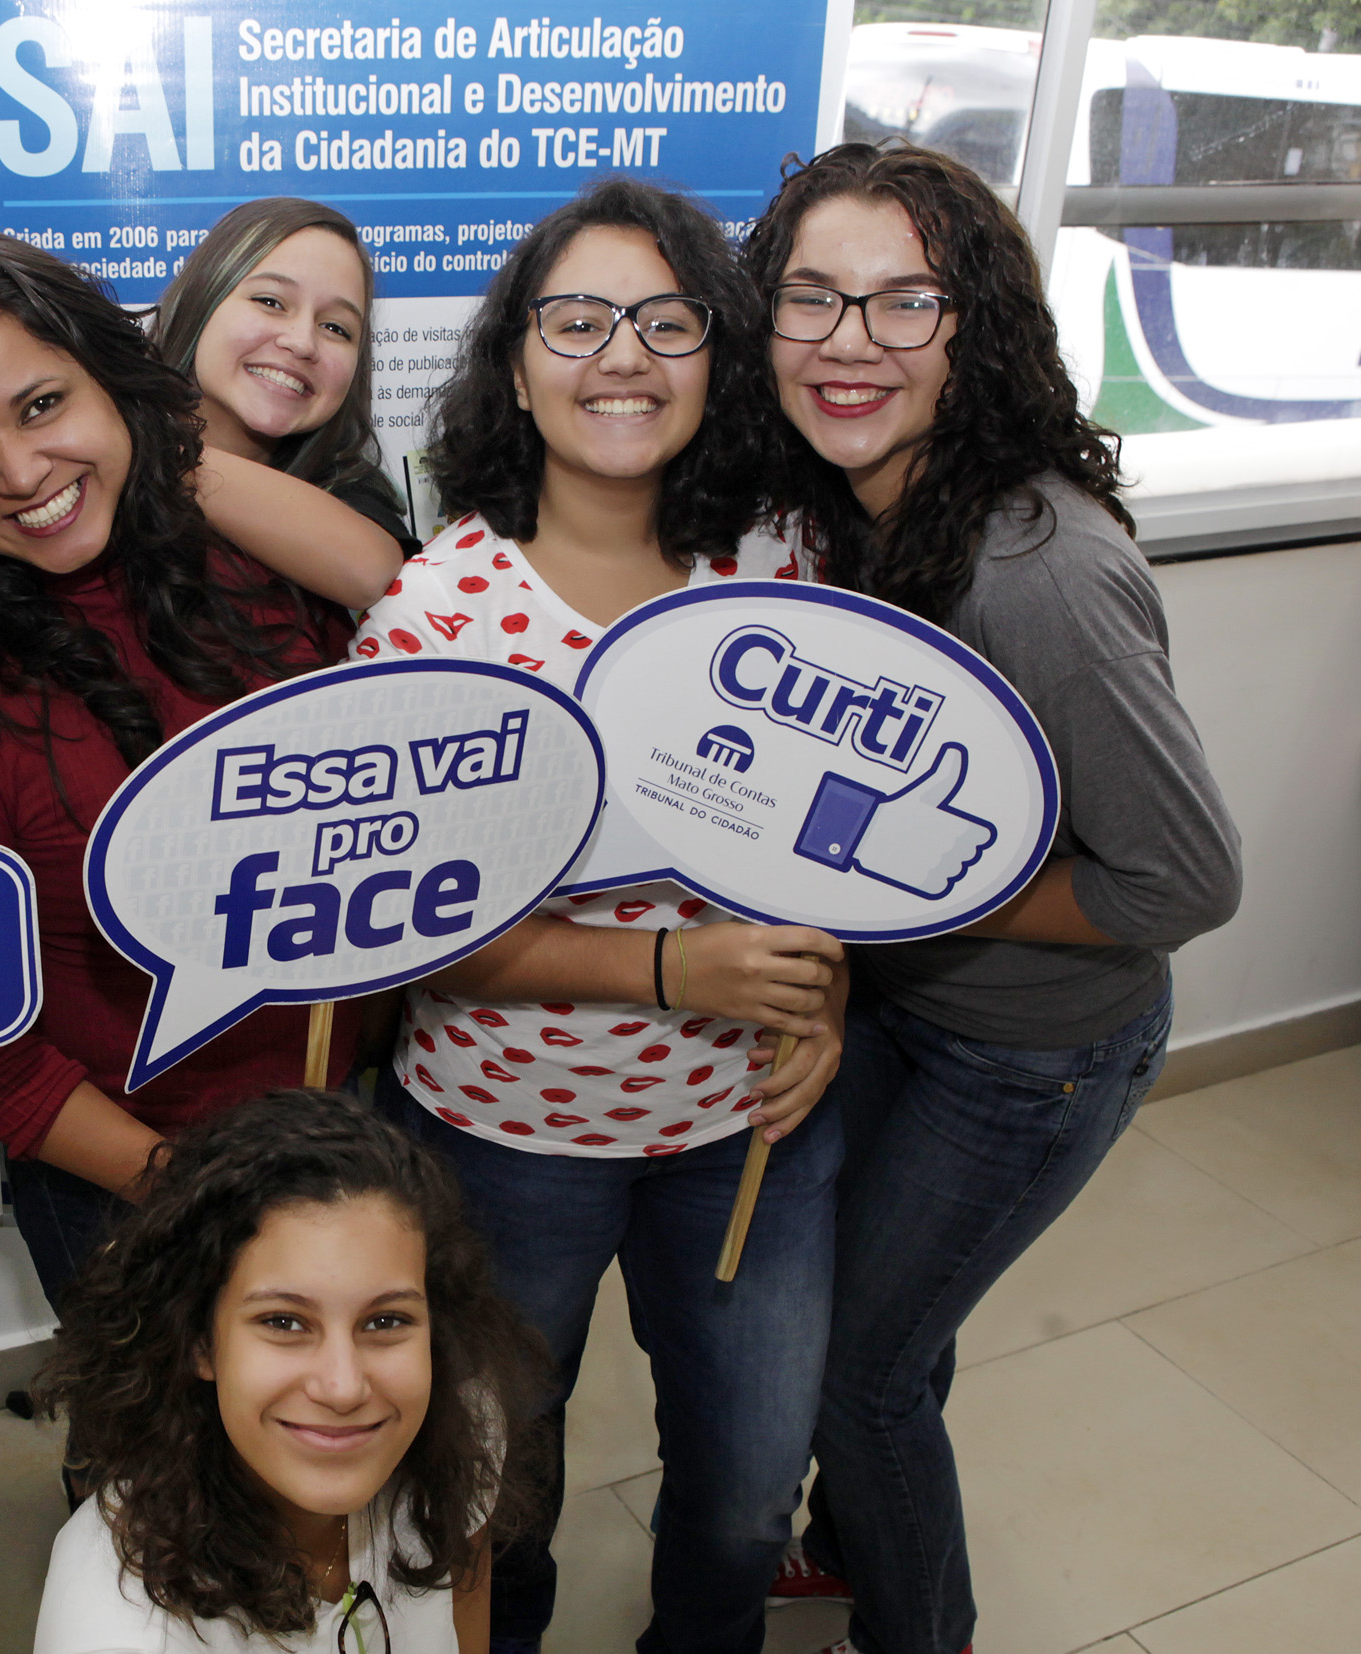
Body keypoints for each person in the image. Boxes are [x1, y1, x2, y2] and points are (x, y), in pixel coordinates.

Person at [742, 144, 1242, 1654]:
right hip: (906, 1012)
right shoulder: (850, 506)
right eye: (811, 296)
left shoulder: (1038, 571)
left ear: (979, 327)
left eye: (905, 300)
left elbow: (1183, 879)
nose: (848, 340)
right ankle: (850, 1547)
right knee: (891, 1322)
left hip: (1033, 1056)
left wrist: (910, 891)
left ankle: (922, 1630)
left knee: (858, 1370)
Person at [350, 179, 847, 1654]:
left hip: (749, 1122)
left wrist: (826, 998)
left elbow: (849, 840)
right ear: (515, 367)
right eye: (575, 320)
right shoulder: (437, 617)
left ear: (716, 356)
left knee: (750, 1492)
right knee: (495, 1486)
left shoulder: (781, 562)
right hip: (507, 1137)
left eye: (665, 321)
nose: (621, 354)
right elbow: (413, 927)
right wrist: (673, 966)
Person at [0, 226, 378, 1309]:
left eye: (43, 404)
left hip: (355, 1134)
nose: (18, 472)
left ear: (111, 378)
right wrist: (192, 1193)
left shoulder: (262, 572)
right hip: (139, 1194)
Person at [32, 1088, 553, 1654]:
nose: (344, 1388)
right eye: (283, 1322)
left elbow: (466, 1608)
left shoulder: (466, 1423)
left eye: (385, 1321)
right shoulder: (120, 1631)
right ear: (200, 1341)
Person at [151, 196, 417, 603]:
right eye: (271, 302)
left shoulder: (345, 484)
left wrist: (154, 453)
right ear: (201, 302)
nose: (302, 342)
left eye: (336, 328)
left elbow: (370, 571)